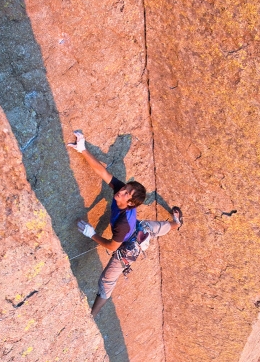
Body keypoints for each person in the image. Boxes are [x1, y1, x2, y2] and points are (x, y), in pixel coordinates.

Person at [68, 131, 183, 317]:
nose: (121, 191)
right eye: (125, 189)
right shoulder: (122, 194)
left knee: (107, 280)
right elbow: (103, 172)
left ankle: (92, 315)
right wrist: (83, 150)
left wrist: (91, 234)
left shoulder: (122, 224)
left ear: (130, 203)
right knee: (157, 228)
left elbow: (113, 245)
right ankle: (175, 223)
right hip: (139, 228)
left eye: (126, 193)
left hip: (128, 246)